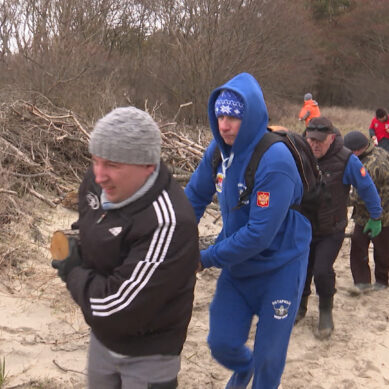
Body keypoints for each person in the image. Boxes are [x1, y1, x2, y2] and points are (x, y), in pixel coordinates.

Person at [51, 107, 199, 389]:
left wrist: (72, 269)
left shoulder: (169, 222)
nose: (99, 175)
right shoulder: (97, 183)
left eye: (113, 165)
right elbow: (90, 224)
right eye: (95, 160)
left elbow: (116, 309)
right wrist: (79, 244)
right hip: (102, 339)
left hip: (149, 352)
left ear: (148, 166)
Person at [185, 72, 312, 389]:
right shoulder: (218, 151)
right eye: (221, 116)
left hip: (281, 266)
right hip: (239, 265)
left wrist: (205, 258)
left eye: (233, 117)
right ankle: (244, 369)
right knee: (222, 343)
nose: (224, 125)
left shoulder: (276, 160)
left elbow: (259, 234)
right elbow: (194, 197)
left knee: (269, 358)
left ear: (251, 116)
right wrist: (174, 239)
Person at [295, 117, 382, 339]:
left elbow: (367, 187)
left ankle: (325, 312)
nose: (314, 144)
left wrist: (376, 215)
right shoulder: (299, 154)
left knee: (321, 271)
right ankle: (300, 307)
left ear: (332, 138)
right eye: (311, 139)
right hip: (303, 226)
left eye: (320, 141)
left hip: (331, 229)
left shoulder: (346, 160)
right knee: (302, 270)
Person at [344, 131, 389, 293]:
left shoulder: (371, 166)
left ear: (356, 150)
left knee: (382, 249)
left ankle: (382, 281)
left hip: (382, 216)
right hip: (366, 214)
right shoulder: (376, 151)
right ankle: (362, 283)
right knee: (358, 245)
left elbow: (361, 196)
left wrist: (339, 200)